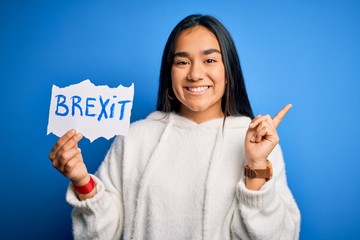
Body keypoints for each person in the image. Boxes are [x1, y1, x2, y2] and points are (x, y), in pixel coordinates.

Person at [49, 14, 300, 239]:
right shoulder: (136, 138)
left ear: (229, 70)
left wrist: (256, 166)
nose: (195, 74)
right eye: (182, 62)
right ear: (169, 72)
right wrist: (83, 181)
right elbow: (102, 234)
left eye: (210, 60)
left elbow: (278, 235)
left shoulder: (256, 141)